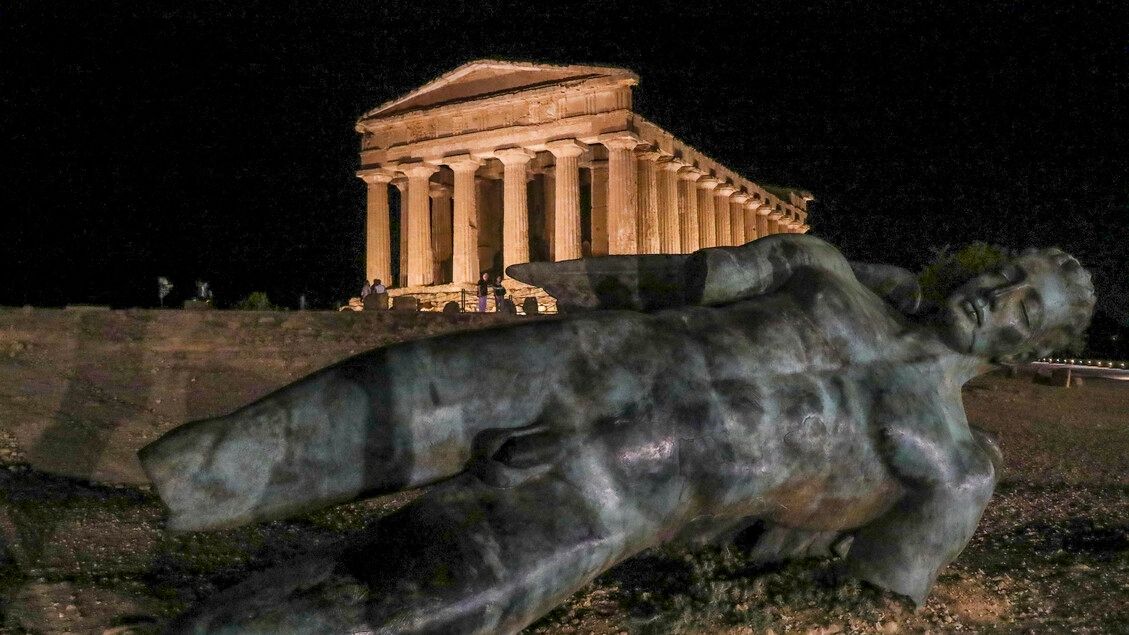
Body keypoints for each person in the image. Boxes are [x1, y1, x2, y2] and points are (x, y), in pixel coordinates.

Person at [144, 234, 1094, 634]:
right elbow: (670, 279)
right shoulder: (819, 267)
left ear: (1030, 348)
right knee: (326, 416)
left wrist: (733, 588)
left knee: (400, 607)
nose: (995, 299)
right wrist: (560, 273)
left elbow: (876, 597)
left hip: (618, 490)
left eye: (1025, 310)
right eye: (1006, 273)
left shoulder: (953, 466)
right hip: (570, 360)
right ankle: (180, 490)